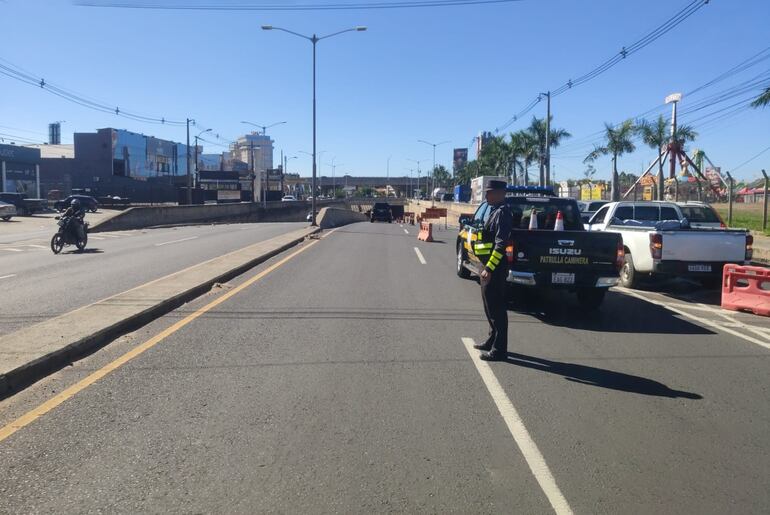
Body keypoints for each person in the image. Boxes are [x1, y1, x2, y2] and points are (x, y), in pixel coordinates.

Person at [472, 180, 513, 361]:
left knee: (496, 309)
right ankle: (492, 340)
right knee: (489, 307)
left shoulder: (503, 213)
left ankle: (499, 350)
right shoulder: (494, 211)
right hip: (487, 266)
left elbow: (500, 244)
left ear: (500, 193)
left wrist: (489, 267)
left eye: (489, 193)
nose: (486, 196)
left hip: (494, 268)